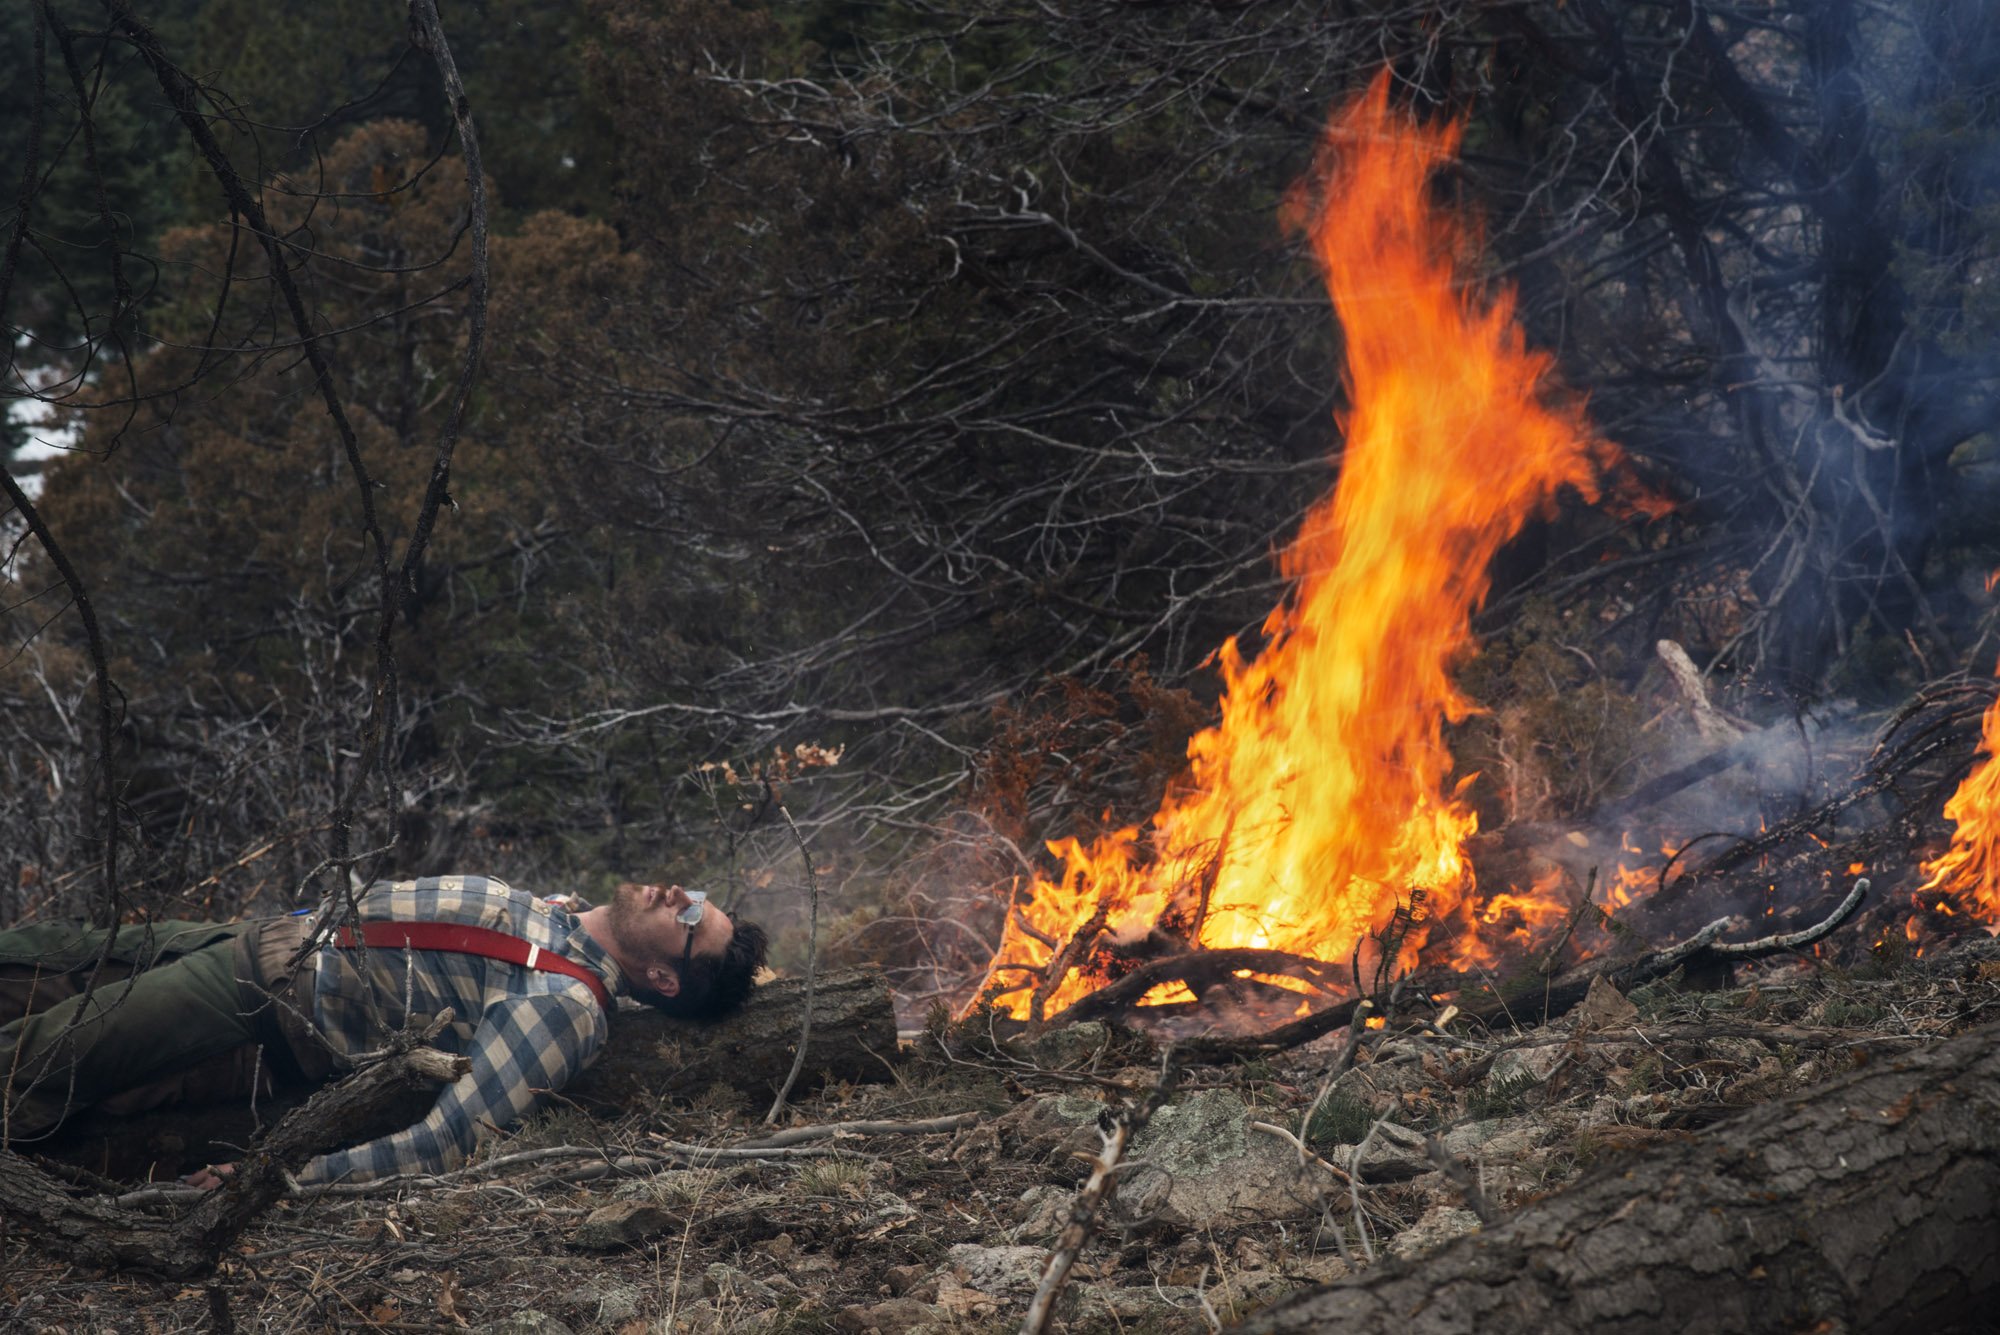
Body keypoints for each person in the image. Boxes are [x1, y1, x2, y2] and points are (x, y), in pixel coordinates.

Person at [0, 874, 768, 1184]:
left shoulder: (568, 1009)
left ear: (665, 978)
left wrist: (278, 1174)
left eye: (692, 918)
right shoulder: (564, 922)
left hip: (263, 1002)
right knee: (26, 959)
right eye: (696, 894)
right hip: (252, 936)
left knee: (30, 1065)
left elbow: (447, 1141)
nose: (682, 895)